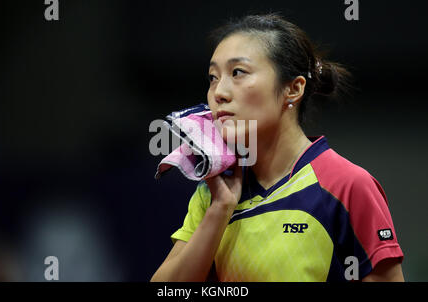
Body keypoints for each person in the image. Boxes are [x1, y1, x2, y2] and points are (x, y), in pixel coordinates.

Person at [151, 13, 404, 282]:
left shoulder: (346, 186)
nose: (219, 92)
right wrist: (220, 209)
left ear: (293, 89)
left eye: (238, 72)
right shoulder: (213, 191)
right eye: (213, 77)